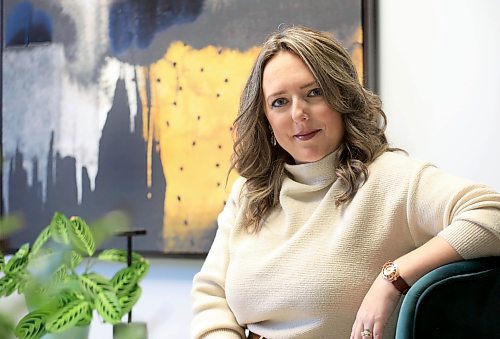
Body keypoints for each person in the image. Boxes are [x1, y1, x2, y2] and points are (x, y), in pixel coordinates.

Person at [190, 25, 500, 339]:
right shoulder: (249, 190)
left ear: (343, 97)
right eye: (280, 102)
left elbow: (492, 214)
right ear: (265, 118)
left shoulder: (391, 178)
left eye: (314, 92)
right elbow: (211, 295)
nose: (299, 114)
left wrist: (393, 278)